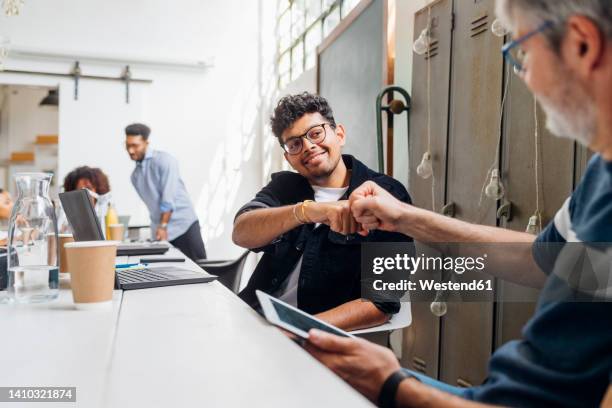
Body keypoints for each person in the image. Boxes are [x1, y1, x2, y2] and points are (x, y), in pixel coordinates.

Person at [304, 0, 612, 406]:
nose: (525, 77)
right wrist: (406, 219)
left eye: (522, 52)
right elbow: (540, 260)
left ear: (582, 45)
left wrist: (391, 385)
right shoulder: (600, 175)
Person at [233, 93, 413, 331]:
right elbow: (241, 233)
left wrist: (296, 328)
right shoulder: (285, 187)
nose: (308, 146)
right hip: (253, 318)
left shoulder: (387, 195)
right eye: (295, 144)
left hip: (314, 336)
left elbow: (381, 303)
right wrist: (307, 211)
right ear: (288, 157)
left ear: (339, 134)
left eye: (315, 133)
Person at [125, 123, 206, 261]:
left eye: (135, 145)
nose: (131, 150)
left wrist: (162, 226)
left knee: (200, 270)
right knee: (169, 274)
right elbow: (153, 207)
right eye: (128, 146)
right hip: (161, 232)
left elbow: (168, 199)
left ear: (146, 142)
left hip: (183, 227)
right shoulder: (135, 177)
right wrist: (157, 230)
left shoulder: (165, 161)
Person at [60, 166, 113, 233]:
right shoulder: (67, 220)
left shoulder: (106, 215)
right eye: (79, 190)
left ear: (98, 190)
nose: (84, 194)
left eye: (89, 188)